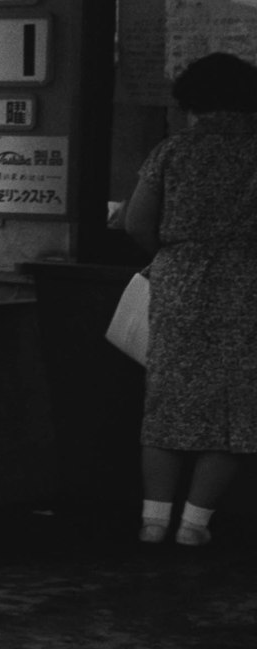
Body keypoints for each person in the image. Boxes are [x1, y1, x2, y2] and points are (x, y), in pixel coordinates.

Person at [124, 51, 257, 547]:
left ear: (191, 101)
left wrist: (177, 254)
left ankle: (153, 521)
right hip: (247, 283)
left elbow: (137, 223)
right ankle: (194, 527)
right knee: (233, 410)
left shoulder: (172, 151)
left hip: (179, 280)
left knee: (168, 401)